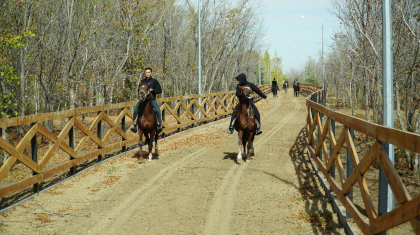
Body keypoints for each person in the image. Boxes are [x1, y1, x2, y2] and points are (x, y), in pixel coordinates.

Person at [131, 67, 162, 133]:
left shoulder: (154, 81)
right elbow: (138, 90)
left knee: (157, 110)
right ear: (144, 73)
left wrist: (153, 90)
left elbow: (160, 90)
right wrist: (139, 98)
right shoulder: (142, 81)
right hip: (142, 100)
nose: (147, 74)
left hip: (151, 99)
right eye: (146, 72)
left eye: (149, 72)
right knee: (136, 109)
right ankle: (134, 125)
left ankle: (159, 125)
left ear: (151, 73)